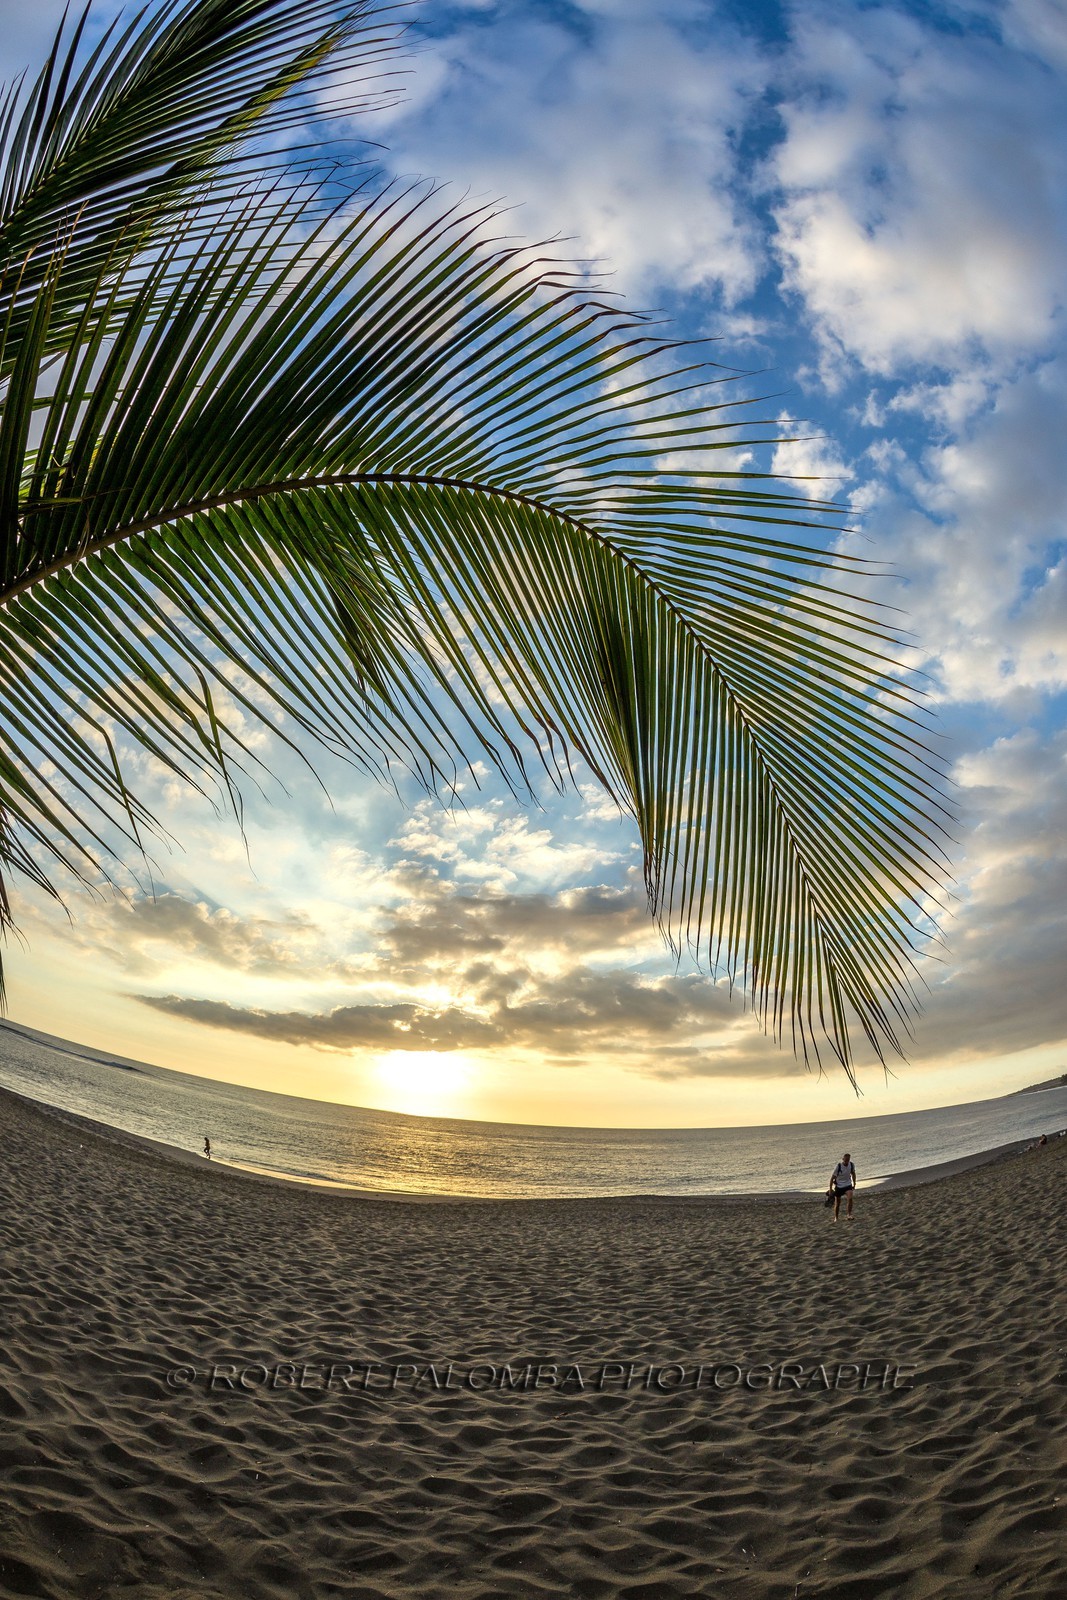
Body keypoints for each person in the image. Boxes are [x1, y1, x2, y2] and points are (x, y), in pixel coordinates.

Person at [829, 1151, 856, 1221]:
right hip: (839, 1187)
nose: (847, 1161)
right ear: (843, 1159)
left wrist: (854, 1183)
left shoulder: (851, 1165)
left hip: (848, 1185)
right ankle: (836, 1217)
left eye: (848, 1160)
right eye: (846, 1159)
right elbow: (832, 1178)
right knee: (837, 1203)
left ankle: (849, 1214)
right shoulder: (839, 1166)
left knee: (850, 1198)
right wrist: (830, 1189)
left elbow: (853, 1174)